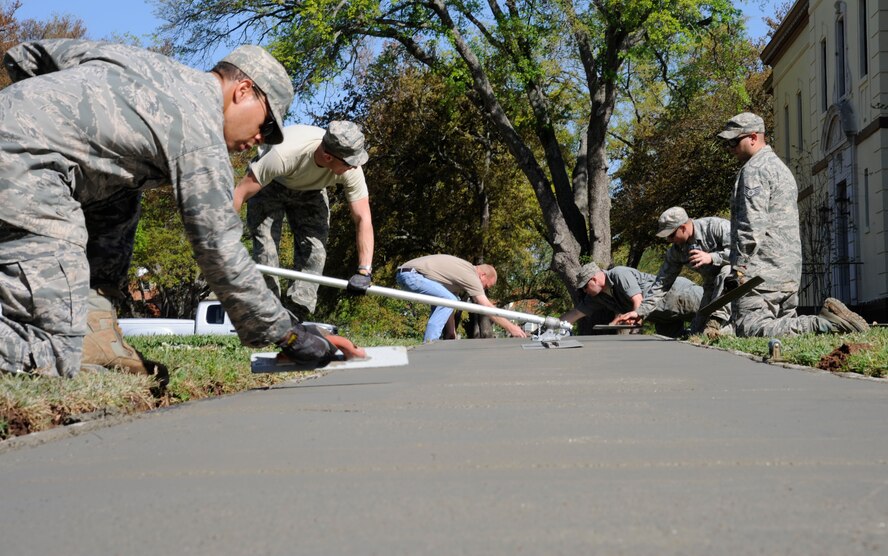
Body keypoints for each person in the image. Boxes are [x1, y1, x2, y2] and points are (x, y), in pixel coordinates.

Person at [0, 39, 358, 378]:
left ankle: (95, 325)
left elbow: (23, 56)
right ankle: (72, 340)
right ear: (243, 90)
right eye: (266, 124)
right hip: (22, 173)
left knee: (119, 192)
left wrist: (54, 115)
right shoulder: (199, 131)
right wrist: (289, 335)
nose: (261, 139)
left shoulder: (145, 65)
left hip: (19, 147)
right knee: (53, 353)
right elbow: (219, 250)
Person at [718, 112, 869, 336]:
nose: (730, 148)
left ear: (753, 137)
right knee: (782, 333)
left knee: (750, 328)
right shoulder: (780, 168)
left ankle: (825, 324)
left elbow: (751, 225)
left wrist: (739, 269)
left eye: (734, 141)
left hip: (760, 272)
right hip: (788, 270)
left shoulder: (754, 170)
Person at [232, 122, 374, 319]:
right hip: (271, 185)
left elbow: (362, 217)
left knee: (315, 253)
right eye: (349, 163)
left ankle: (296, 316)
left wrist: (364, 270)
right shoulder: (284, 154)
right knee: (267, 252)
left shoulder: (351, 169)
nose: (355, 166)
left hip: (312, 192)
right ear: (328, 157)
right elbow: (239, 194)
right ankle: (267, 314)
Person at [614, 207, 732, 337]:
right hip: (711, 287)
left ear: (683, 227)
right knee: (697, 333)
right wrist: (640, 312)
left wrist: (712, 257)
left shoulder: (716, 227)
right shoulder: (676, 251)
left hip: (740, 279)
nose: (669, 240)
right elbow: (661, 283)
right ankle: (717, 330)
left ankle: (717, 322)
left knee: (727, 271)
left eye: (671, 235)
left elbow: (743, 252)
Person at [394, 255, 527, 342]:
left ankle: (436, 338)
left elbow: (447, 303)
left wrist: (451, 332)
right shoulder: (471, 275)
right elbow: (486, 306)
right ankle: (430, 343)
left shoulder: (459, 278)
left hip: (408, 274)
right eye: (486, 285)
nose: (484, 289)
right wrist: (511, 327)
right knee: (450, 300)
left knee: (449, 299)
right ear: (483, 275)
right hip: (411, 275)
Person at [560, 262, 703, 337]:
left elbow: (638, 301)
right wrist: (548, 326)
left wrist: (635, 322)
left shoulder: (619, 274)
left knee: (715, 314)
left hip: (679, 295)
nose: (584, 291)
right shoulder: (598, 297)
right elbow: (575, 314)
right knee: (682, 343)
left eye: (585, 287)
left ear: (594, 279)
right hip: (663, 317)